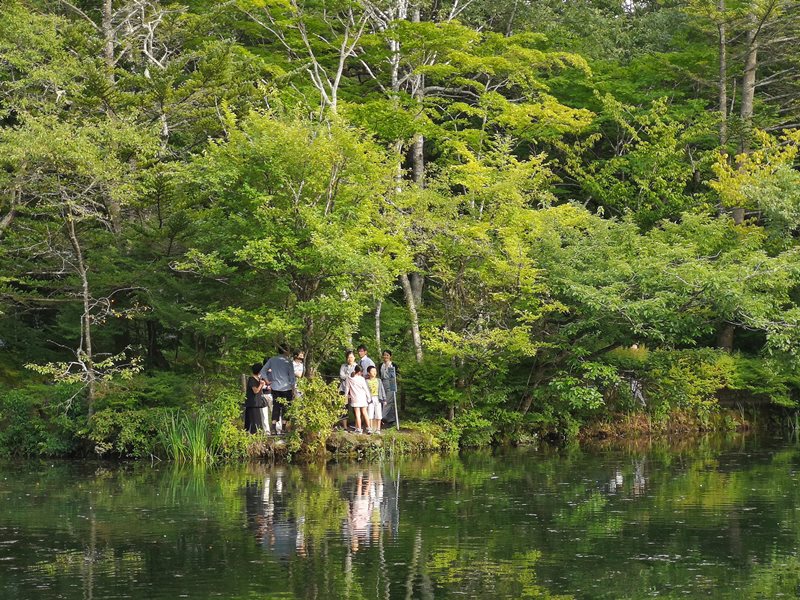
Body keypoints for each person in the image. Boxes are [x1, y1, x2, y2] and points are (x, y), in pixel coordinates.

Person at [260, 344, 296, 434]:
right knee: (285, 408)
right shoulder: (288, 361)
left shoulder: (272, 360)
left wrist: (267, 381)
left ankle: (273, 429)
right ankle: (283, 429)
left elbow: (263, 371)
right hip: (286, 387)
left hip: (275, 387)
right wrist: (293, 389)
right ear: (285, 350)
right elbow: (292, 377)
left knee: (276, 407)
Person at [346, 365, 371, 434]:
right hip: (363, 397)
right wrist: (369, 398)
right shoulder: (362, 379)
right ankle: (369, 428)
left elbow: (347, 388)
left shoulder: (349, 378)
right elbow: (366, 389)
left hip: (355, 398)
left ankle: (359, 429)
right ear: (360, 372)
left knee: (357, 414)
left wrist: (345, 396)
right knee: (365, 413)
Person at [244, 363, 269, 433]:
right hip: (252, 403)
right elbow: (255, 391)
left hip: (257, 403)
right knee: (254, 421)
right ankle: (253, 434)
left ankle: (256, 434)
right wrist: (261, 385)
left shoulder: (258, 379)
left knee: (257, 421)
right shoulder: (252, 379)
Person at [338, 350, 357, 430]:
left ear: (354, 358)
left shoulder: (356, 366)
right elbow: (341, 376)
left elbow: (356, 376)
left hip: (353, 389)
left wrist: (348, 376)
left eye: (351, 357)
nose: (350, 359)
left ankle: (357, 426)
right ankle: (345, 427)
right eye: (348, 357)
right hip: (343, 388)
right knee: (344, 407)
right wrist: (349, 375)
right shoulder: (343, 366)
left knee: (355, 407)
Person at [380, 350, 398, 427]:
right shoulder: (381, 365)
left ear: (390, 356)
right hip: (383, 382)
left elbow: (396, 375)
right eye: (384, 355)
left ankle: (381, 417)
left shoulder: (393, 365)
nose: (385, 357)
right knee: (383, 400)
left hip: (391, 382)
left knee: (388, 401)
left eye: (387, 355)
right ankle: (391, 419)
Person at [365, 365, 386, 434]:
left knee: (378, 414)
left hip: (378, 398)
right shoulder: (366, 381)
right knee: (370, 414)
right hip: (370, 399)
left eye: (375, 371)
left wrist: (384, 399)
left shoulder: (379, 380)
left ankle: (378, 429)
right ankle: (370, 428)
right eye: (372, 371)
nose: (374, 372)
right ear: (368, 373)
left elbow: (382, 390)